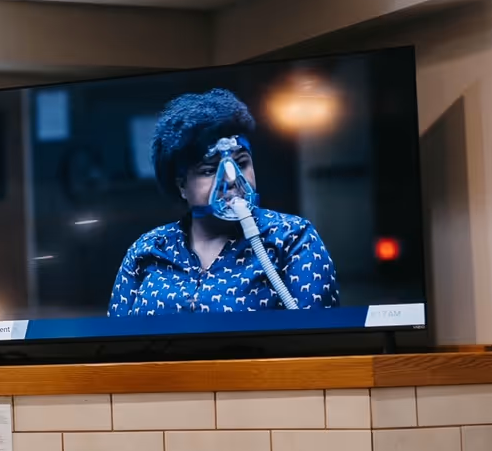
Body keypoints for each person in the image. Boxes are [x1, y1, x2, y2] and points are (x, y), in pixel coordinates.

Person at [109, 89, 338, 316]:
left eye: (242, 163)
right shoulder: (148, 250)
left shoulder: (291, 239)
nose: (231, 179)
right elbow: (113, 342)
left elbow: (321, 342)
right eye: (209, 171)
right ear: (181, 186)